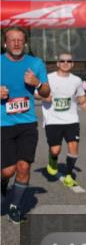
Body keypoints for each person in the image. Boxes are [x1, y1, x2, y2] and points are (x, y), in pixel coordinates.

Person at [1, 27, 50, 223]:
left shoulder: (35, 63)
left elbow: (46, 92)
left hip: (27, 124)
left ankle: (15, 206)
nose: (16, 43)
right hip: (3, 124)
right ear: (5, 43)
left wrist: (37, 83)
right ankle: (3, 182)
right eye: (12, 40)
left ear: (25, 43)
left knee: (23, 167)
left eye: (20, 40)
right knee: (7, 170)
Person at [38, 52, 86, 188]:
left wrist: (83, 102)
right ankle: (52, 160)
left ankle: (69, 175)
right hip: (53, 120)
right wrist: (44, 97)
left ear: (72, 64)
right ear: (57, 63)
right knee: (55, 150)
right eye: (62, 61)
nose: (65, 63)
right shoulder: (48, 78)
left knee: (73, 147)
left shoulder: (77, 80)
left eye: (68, 61)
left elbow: (80, 95)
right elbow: (35, 93)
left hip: (71, 120)